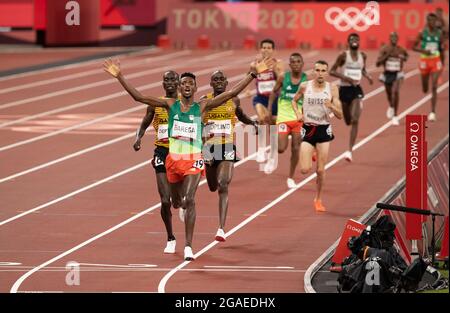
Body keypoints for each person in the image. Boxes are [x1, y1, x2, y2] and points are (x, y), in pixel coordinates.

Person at [103, 57, 271, 261]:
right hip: (173, 161)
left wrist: (253, 74)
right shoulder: (169, 104)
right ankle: (178, 218)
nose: (186, 86)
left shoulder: (202, 106)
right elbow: (138, 97)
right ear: (180, 88)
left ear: (195, 87)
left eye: (190, 83)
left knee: (190, 199)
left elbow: (232, 93)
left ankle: (188, 246)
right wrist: (119, 76)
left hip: (193, 160)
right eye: (183, 84)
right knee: (175, 202)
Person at [201, 70, 258, 241]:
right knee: (212, 186)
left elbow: (239, 114)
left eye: (221, 79)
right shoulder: (206, 101)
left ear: (226, 82)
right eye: (215, 80)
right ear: (211, 83)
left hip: (227, 146)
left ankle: (221, 228)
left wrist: (252, 122)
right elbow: (198, 124)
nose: (218, 82)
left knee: (223, 184)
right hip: (210, 147)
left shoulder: (233, 99)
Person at [131, 70, 179, 254]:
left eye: (172, 79)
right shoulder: (155, 105)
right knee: (165, 201)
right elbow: (144, 123)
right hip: (161, 152)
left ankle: (182, 203)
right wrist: (138, 138)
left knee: (178, 201)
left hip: (182, 153)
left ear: (178, 82)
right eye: (166, 80)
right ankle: (170, 237)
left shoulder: (185, 104)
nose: (169, 82)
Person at [291, 60, 343, 212]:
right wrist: (298, 113)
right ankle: (312, 152)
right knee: (305, 170)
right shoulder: (304, 86)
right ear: (313, 71)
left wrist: (331, 106)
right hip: (308, 129)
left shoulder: (332, 89)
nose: (320, 73)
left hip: (323, 130)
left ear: (327, 73)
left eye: (323, 71)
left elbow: (340, 115)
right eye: (317, 70)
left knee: (320, 170)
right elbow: (294, 101)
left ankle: (318, 199)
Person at [330, 33, 373, 162]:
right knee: (348, 120)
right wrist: (346, 78)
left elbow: (363, 69)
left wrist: (368, 76)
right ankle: (349, 148)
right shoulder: (343, 56)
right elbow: (331, 71)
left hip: (356, 90)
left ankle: (349, 151)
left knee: (355, 120)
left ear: (359, 42)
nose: (354, 41)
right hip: (344, 90)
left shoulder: (363, 56)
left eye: (356, 39)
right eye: (352, 39)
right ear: (348, 42)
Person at [268, 52, 308, 187]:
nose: (296, 64)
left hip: (298, 119)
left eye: (298, 62)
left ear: (302, 64)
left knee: (296, 148)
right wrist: (269, 111)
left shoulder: (306, 80)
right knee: (281, 148)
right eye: (293, 62)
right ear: (290, 65)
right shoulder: (282, 78)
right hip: (283, 119)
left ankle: (290, 177)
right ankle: (273, 151)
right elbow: (273, 92)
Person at [249, 39, 284, 173]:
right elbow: (249, 76)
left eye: (269, 48)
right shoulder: (254, 64)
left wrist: (275, 70)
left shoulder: (278, 64)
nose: (266, 50)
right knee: (263, 119)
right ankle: (262, 149)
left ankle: (272, 158)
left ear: (273, 50)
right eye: (264, 47)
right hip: (260, 98)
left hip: (275, 100)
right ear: (260, 49)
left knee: (273, 129)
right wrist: (246, 90)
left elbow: (281, 78)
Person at [413, 12, 444, 122]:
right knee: (425, 88)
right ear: (427, 21)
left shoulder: (439, 33)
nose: (432, 22)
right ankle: (425, 86)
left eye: (434, 21)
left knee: (434, 86)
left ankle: (432, 112)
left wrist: (442, 62)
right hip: (424, 60)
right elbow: (413, 47)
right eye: (430, 20)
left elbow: (441, 49)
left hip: (435, 60)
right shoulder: (422, 33)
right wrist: (423, 50)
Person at [376, 32, 408, 126]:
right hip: (387, 74)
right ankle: (391, 105)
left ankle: (395, 116)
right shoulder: (384, 49)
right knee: (389, 94)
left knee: (395, 92)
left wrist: (402, 57)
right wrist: (387, 55)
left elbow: (406, 56)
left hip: (398, 74)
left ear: (397, 39)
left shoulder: (401, 49)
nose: (394, 39)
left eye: (395, 37)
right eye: (392, 37)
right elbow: (378, 63)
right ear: (389, 38)